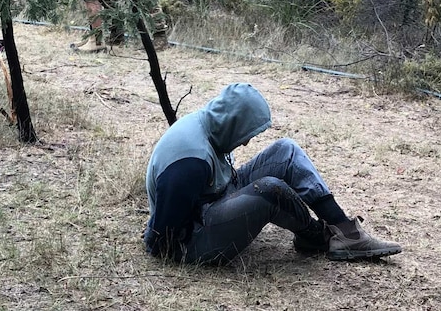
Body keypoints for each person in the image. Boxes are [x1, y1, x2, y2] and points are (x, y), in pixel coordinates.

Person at [144, 83, 402, 264]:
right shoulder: (189, 162)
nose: (245, 143)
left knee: (286, 151)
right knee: (269, 190)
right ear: (232, 124)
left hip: (214, 196)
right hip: (188, 242)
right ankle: (317, 238)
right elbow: (163, 238)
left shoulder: (211, 124)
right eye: (244, 134)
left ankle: (347, 233)